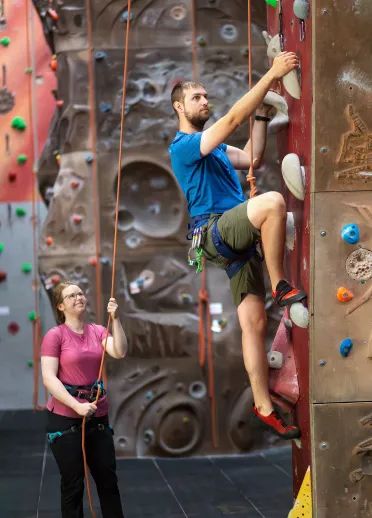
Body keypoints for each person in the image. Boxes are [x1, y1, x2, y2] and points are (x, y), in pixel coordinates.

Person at [168, 52, 306, 440]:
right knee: (273, 202)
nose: (205, 102)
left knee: (253, 324)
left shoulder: (213, 151)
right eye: (197, 98)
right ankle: (280, 285)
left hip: (233, 239)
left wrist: (261, 115)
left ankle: (263, 405)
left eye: (206, 96)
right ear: (179, 107)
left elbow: (252, 157)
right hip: (215, 231)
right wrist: (272, 75)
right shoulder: (184, 146)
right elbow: (230, 121)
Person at [41, 281, 127, 518]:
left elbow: (119, 351)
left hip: (96, 415)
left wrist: (116, 319)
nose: (78, 297)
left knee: (108, 481)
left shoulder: (98, 330)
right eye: (71, 296)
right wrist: (76, 405)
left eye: (80, 293)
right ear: (61, 306)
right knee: (73, 483)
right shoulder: (55, 336)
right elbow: (49, 378)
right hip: (65, 418)